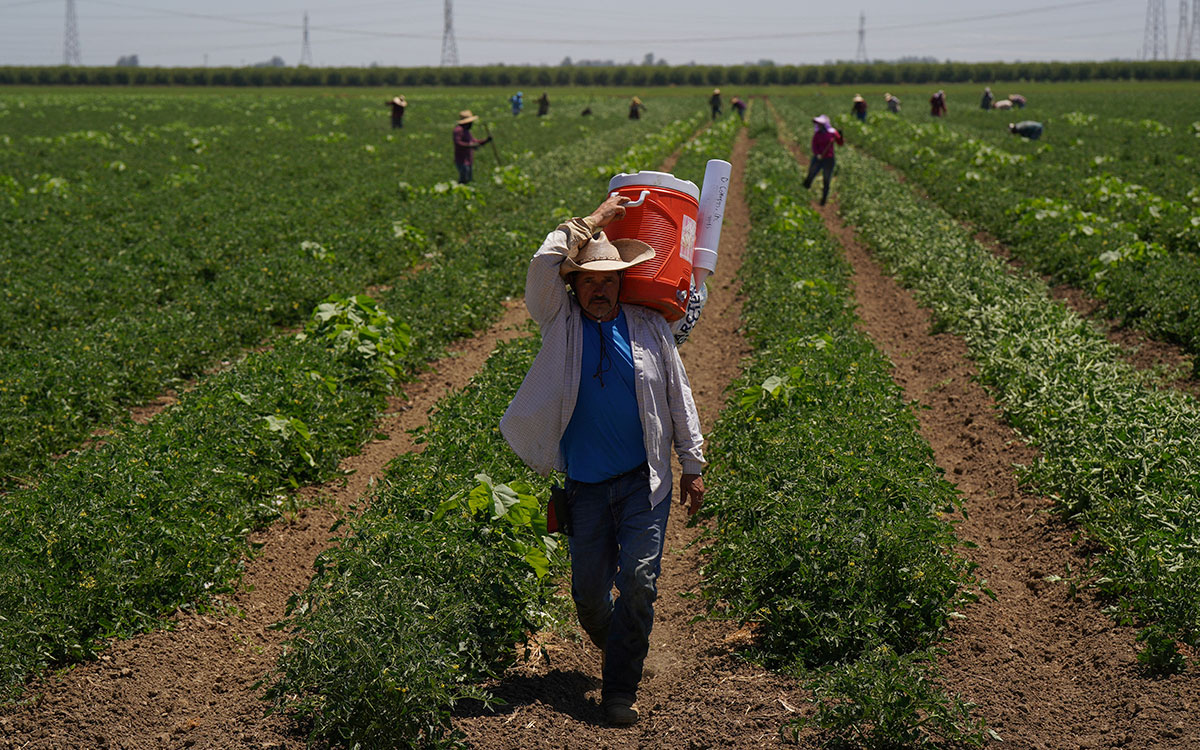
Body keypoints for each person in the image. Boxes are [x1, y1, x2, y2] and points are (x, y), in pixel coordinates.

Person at [500, 193, 707, 727]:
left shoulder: (647, 327)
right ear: (574, 285)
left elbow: (678, 393)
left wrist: (693, 462)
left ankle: (620, 689)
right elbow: (541, 263)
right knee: (590, 600)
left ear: (621, 282)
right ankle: (621, 640)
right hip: (586, 488)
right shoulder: (560, 323)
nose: (598, 288)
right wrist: (591, 222)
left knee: (639, 581)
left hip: (643, 483)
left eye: (608, 279)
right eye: (588, 279)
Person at [803, 114, 844, 206]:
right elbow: (814, 145)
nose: (818, 125)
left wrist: (840, 137)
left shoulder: (832, 133)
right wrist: (817, 154)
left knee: (826, 179)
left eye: (820, 124)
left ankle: (823, 200)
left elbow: (840, 143)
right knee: (811, 174)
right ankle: (803, 194)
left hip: (828, 160)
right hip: (818, 158)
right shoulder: (817, 134)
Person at [452, 110, 491, 184]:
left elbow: (475, 142)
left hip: (468, 159)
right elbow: (458, 143)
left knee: (469, 179)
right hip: (461, 159)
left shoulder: (467, 131)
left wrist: (486, 140)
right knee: (464, 179)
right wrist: (470, 146)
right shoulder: (458, 130)